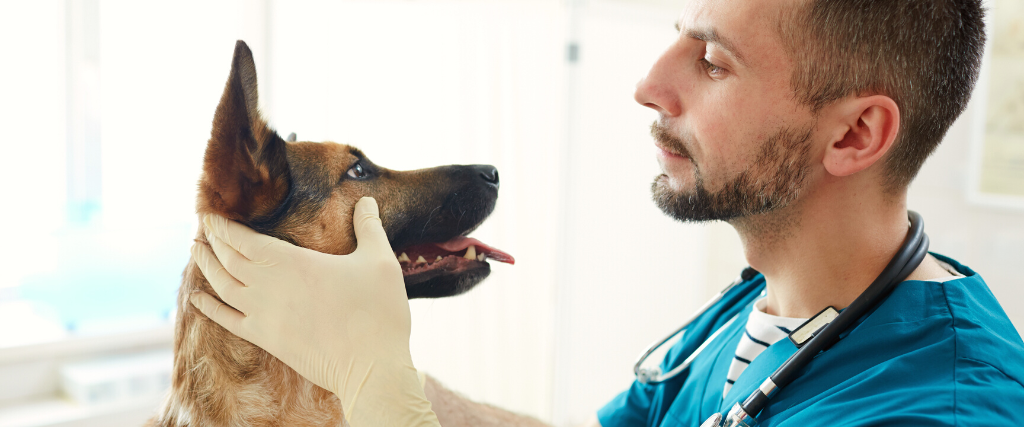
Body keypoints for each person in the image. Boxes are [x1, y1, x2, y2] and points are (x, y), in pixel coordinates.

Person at [188, 0, 1024, 425]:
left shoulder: (937, 409)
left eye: (713, 61)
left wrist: (379, 386)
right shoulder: (757, 315)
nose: (650, 83)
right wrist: (358, 360)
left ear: (855, 134)